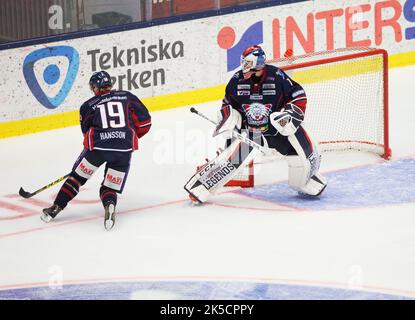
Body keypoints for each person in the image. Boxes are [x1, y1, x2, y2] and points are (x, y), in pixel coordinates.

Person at [185, 45, 326, 203]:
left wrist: (290, 114)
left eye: (247, 63)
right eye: (244, 63)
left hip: (278, 132)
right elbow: (227, 105)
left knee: (303, 155)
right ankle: (201, 186)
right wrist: (227, 119)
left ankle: (306, 180)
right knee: (232, 160)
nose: (244, 67)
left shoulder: (277, 76)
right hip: (252, 135)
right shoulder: (236, 80)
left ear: (257, 63)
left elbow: (298, 94)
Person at [41, 71, 152, 230]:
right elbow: (145, 123)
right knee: (109, 187)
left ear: (94, 87)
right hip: (124, 149)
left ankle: (55, 208)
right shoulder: (127, 96)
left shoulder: (88, 105)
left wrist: (80, 165)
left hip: (98, 148)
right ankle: (109, 205)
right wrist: (126, 137)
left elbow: (86, 133)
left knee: (77, 179)